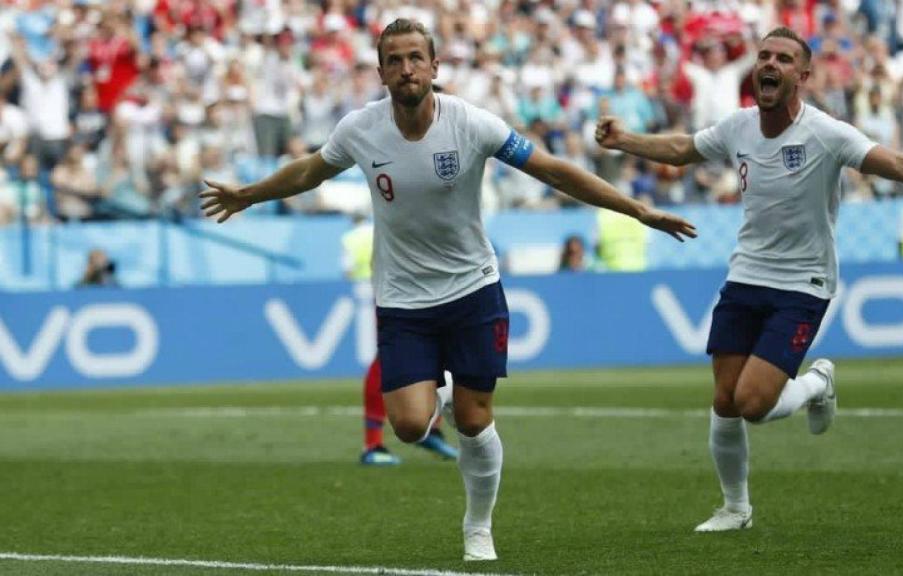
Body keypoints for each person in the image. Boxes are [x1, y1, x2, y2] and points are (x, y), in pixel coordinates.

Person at [199, 18, 697, 561]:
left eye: (416, 57)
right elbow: (308, 173)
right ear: (381, 71)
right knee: (410, 426)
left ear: (435, 67)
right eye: (395, 60)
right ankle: (439, 399)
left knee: (476, 418)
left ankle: (477, 527)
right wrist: (248, 194)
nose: (406, 68)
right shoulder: (360, 130)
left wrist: (638, 208)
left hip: (473, 290)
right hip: (403, 299)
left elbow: (554, 172)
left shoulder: (472, 124)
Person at [595, 26, 903, 533]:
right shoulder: (738, 126)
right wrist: (624, 141)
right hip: (745, 275)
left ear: (803, 75)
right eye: (763, 56)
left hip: (803, 283)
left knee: (753, 404)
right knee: (724, 401)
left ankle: (818, 382)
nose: (769, 64)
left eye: (783, 58)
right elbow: (684, 148)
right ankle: (735, 509)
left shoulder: (826, 133)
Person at [342, 213, 458, 465]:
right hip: (396, 292)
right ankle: (372, 445)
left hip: (436, 287)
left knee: (442, 354)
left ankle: (430, 426)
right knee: (387, 358)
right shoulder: (396, 205)